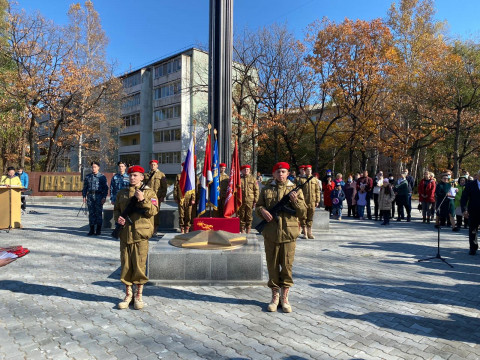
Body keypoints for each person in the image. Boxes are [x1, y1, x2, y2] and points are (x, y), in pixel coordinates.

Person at [256, 162, 306, 313]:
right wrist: (262, 211)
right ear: (274, 174)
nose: (281, 174)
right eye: (278, 172)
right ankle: (274, 297)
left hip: (288, 234)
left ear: (288, 173)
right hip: (271, 233)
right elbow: (258, 206)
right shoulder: (266, 189)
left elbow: (303, 212)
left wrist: (295, 200)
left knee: (286, 266)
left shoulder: (295, 189)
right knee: (272, 266)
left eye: (283, 172)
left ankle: (285, 299)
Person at [114, 165, 159, 310]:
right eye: (131, 175)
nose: (132, 178)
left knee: (139, 266)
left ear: (141, 177)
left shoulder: (149, 193)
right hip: (125, 234)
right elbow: (117, 210)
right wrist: (118, 219)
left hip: (140, 234)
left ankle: (138, 296)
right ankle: (128, 295)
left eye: (135, 175)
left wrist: (142, 200)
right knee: (126, 265)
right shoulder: (122, 193)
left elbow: (154, 211)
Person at [82, 161, 108, 236]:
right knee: (91, 213)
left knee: (98, 213)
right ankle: (92, 229)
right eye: (92, 167)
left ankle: (98, 230)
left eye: (95, 167)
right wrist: (84, 196)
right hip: (90, 196)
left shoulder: (102, 177)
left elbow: (105, 188)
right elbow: (85, 188)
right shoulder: (88, 177)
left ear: (98, 168)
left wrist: (104, 197)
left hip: (99, 196)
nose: (93, 168)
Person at [144, 160, 167, 235]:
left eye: (154, 165)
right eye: (151, 165)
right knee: (147, 212)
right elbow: (143, 186)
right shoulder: (146, 175)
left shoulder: (161, 175)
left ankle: (155, 229)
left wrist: (162, 196)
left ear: (157, 165)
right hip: (148, 197)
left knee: (155, 213)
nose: (153, 166)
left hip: (156, 197)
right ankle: (148, 228)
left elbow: (164, 187)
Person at [297, 165, 320, 239]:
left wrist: (317, 200)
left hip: (312, 201)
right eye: (307, 170)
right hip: (303, 201)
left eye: (310, 170)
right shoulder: (301, 179)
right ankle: (305, 233)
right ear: (305, 171)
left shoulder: (314, 179)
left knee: (310, 217)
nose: (309, 171)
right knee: (303, 217)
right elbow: (298, 190)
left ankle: (310, 233)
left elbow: (317, 190)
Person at [461, 170, 480, 255]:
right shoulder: (470, 184)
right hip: (473, 211)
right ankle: (473, 248)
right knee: (473, 230)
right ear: (478, 175)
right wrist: (464, 210)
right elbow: (464, 198)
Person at [173, 163, 196, 233]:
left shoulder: (191, 177)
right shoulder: (179, 176)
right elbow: (175, 187)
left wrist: (193, 199)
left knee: (189, 214)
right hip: (181, 198)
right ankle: (182, 227)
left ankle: (187, 227)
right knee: (181, 214)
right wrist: (175, 197)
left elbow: (193, 189)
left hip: (188, 199)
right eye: (184, 167)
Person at [238, 164, 259, 233]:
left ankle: (248, 227)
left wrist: (256, 200)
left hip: (250, 199)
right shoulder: (239, 179)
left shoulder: (253, 179)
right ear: (242, 171)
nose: (246, 171)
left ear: (249, 170)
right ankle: (242, 228)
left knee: (249, 215)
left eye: (247, 169)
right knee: (242, 214)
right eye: (244, 170)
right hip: (241, 199)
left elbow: (256, 190)